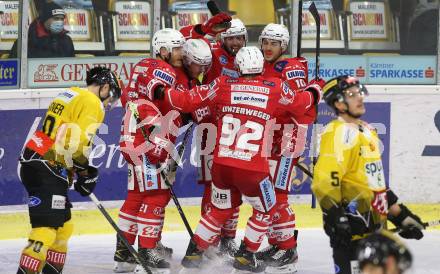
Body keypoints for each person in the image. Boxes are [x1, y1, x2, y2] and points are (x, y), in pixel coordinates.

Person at [143, 46, 323, 273]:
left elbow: (187, 100)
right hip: (253, 169)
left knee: (219, 210)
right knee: (267, 209)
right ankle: (247, 255)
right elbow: (301, 104)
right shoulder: (274, 87)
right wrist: (316, 88)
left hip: (222, 166)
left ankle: (193, 254)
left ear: (237, 67)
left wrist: (160, 91)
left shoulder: (222, 84)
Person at [312, 75, 425, 274]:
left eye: (359, 93)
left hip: (375, 233)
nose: (360, 98)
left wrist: (401, 216)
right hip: (351, 234)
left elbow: (375, 182)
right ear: (338, 102)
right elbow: (324, 182)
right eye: (352, 94)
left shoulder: (367, 131)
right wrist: (337, 219)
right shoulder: (337, 133)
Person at [17, 66, 122, 274]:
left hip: (37, 160)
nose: (109, 103)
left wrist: (79, 169)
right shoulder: (93, 103)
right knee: (46, 230)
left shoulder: (70, 93)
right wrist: (85, 173)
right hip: (47, 165)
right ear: (105, 87)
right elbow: (77, 143)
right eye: (111, 97)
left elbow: (64, 138)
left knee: (63, 227)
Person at [114, 28, 185, 274]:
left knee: (135, 195)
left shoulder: (141, 65)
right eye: (176, 49)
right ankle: (147, 252)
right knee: (154, 196)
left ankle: (124, 253)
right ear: (163, 50)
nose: (181, 53)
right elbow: (164, 102)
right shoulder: (164, 70)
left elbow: (126, 99)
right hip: (147, 139)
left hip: (131, 134)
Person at [257, 23, 323, 274]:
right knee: (269, 194)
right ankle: (276, 244)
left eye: (273, 43)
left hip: (288, 138)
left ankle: (287, 250)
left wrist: (313, 92)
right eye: (265, 42)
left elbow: (297, 106)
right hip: (270, 137)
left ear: (283, 45)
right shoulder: (263, 64)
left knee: (278, 194)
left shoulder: (292, 67)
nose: (268, 47)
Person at [182, 18, 248, 259]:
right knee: (213, 188)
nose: (236, 42)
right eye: (231, 37)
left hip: (237, 131)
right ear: (222, 39)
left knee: (235, 186)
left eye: (240, 37)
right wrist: (204, 28)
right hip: (211, 128)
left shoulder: (250, 58)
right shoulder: (211, 52)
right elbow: (186, 41)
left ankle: (228, 238)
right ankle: (208, 238)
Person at [10, 1, 74, 58]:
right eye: (56, 18)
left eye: (62, 19)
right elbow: (14, 67)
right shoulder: (25, 42)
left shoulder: (67, 41)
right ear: (45, 19)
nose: (60, 22)